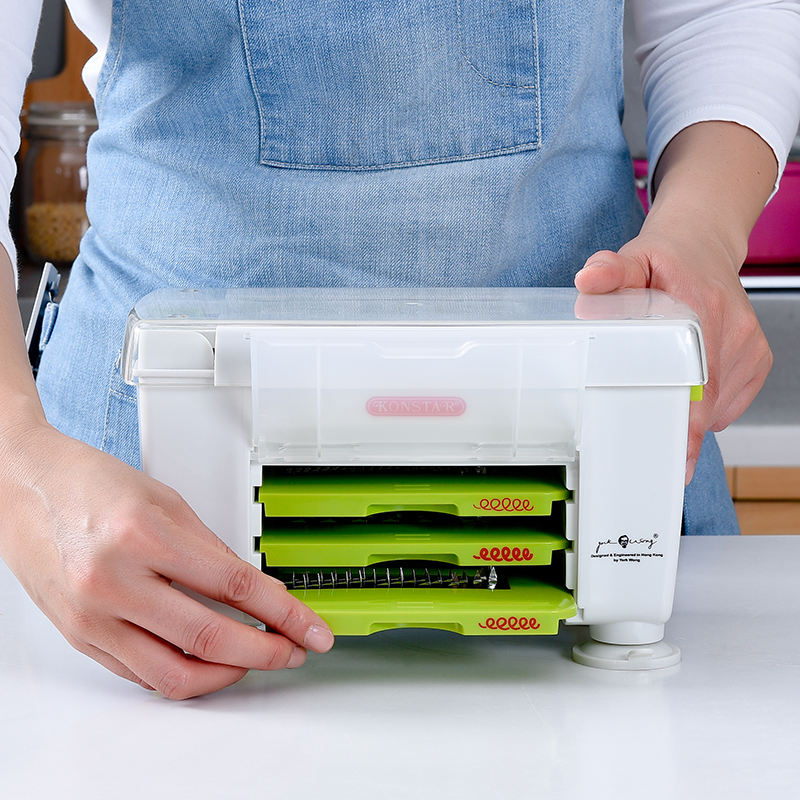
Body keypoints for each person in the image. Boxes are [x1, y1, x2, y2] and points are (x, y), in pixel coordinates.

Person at [1, 1, 798, 699]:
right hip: (138, 514)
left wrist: (702, 233)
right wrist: (19, 466)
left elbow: (718, 12)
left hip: (606, 455)